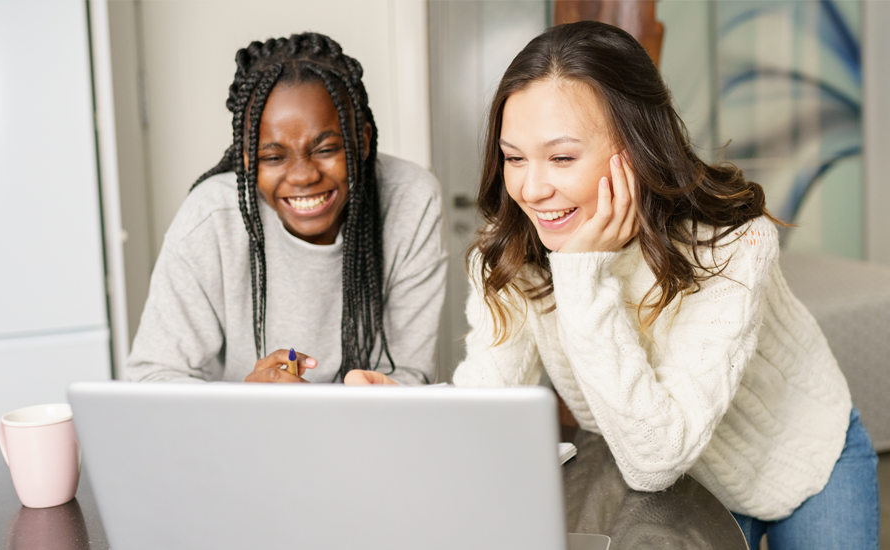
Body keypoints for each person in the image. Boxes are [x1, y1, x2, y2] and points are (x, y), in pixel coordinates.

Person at [345, 22, 879, 549]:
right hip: (686, 490)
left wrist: (580, 271)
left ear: (636, 146)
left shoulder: (732, 244)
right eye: (513, 158)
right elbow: (491, 399)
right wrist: (413, 411)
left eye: (561, 157)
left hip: (802, 455)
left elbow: (656, 457)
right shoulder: (509, 253)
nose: (531, 189)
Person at [126, 32, 447, 385]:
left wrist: (344, 405)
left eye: (326, 150)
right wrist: (247, 403)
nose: (303, 176)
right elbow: (153, 374)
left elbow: (410, 373)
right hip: (242, 433)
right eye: (273, 157)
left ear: (363, 141)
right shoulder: (210, 217)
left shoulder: (411, 200)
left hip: (365, 431)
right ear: (248, 160)